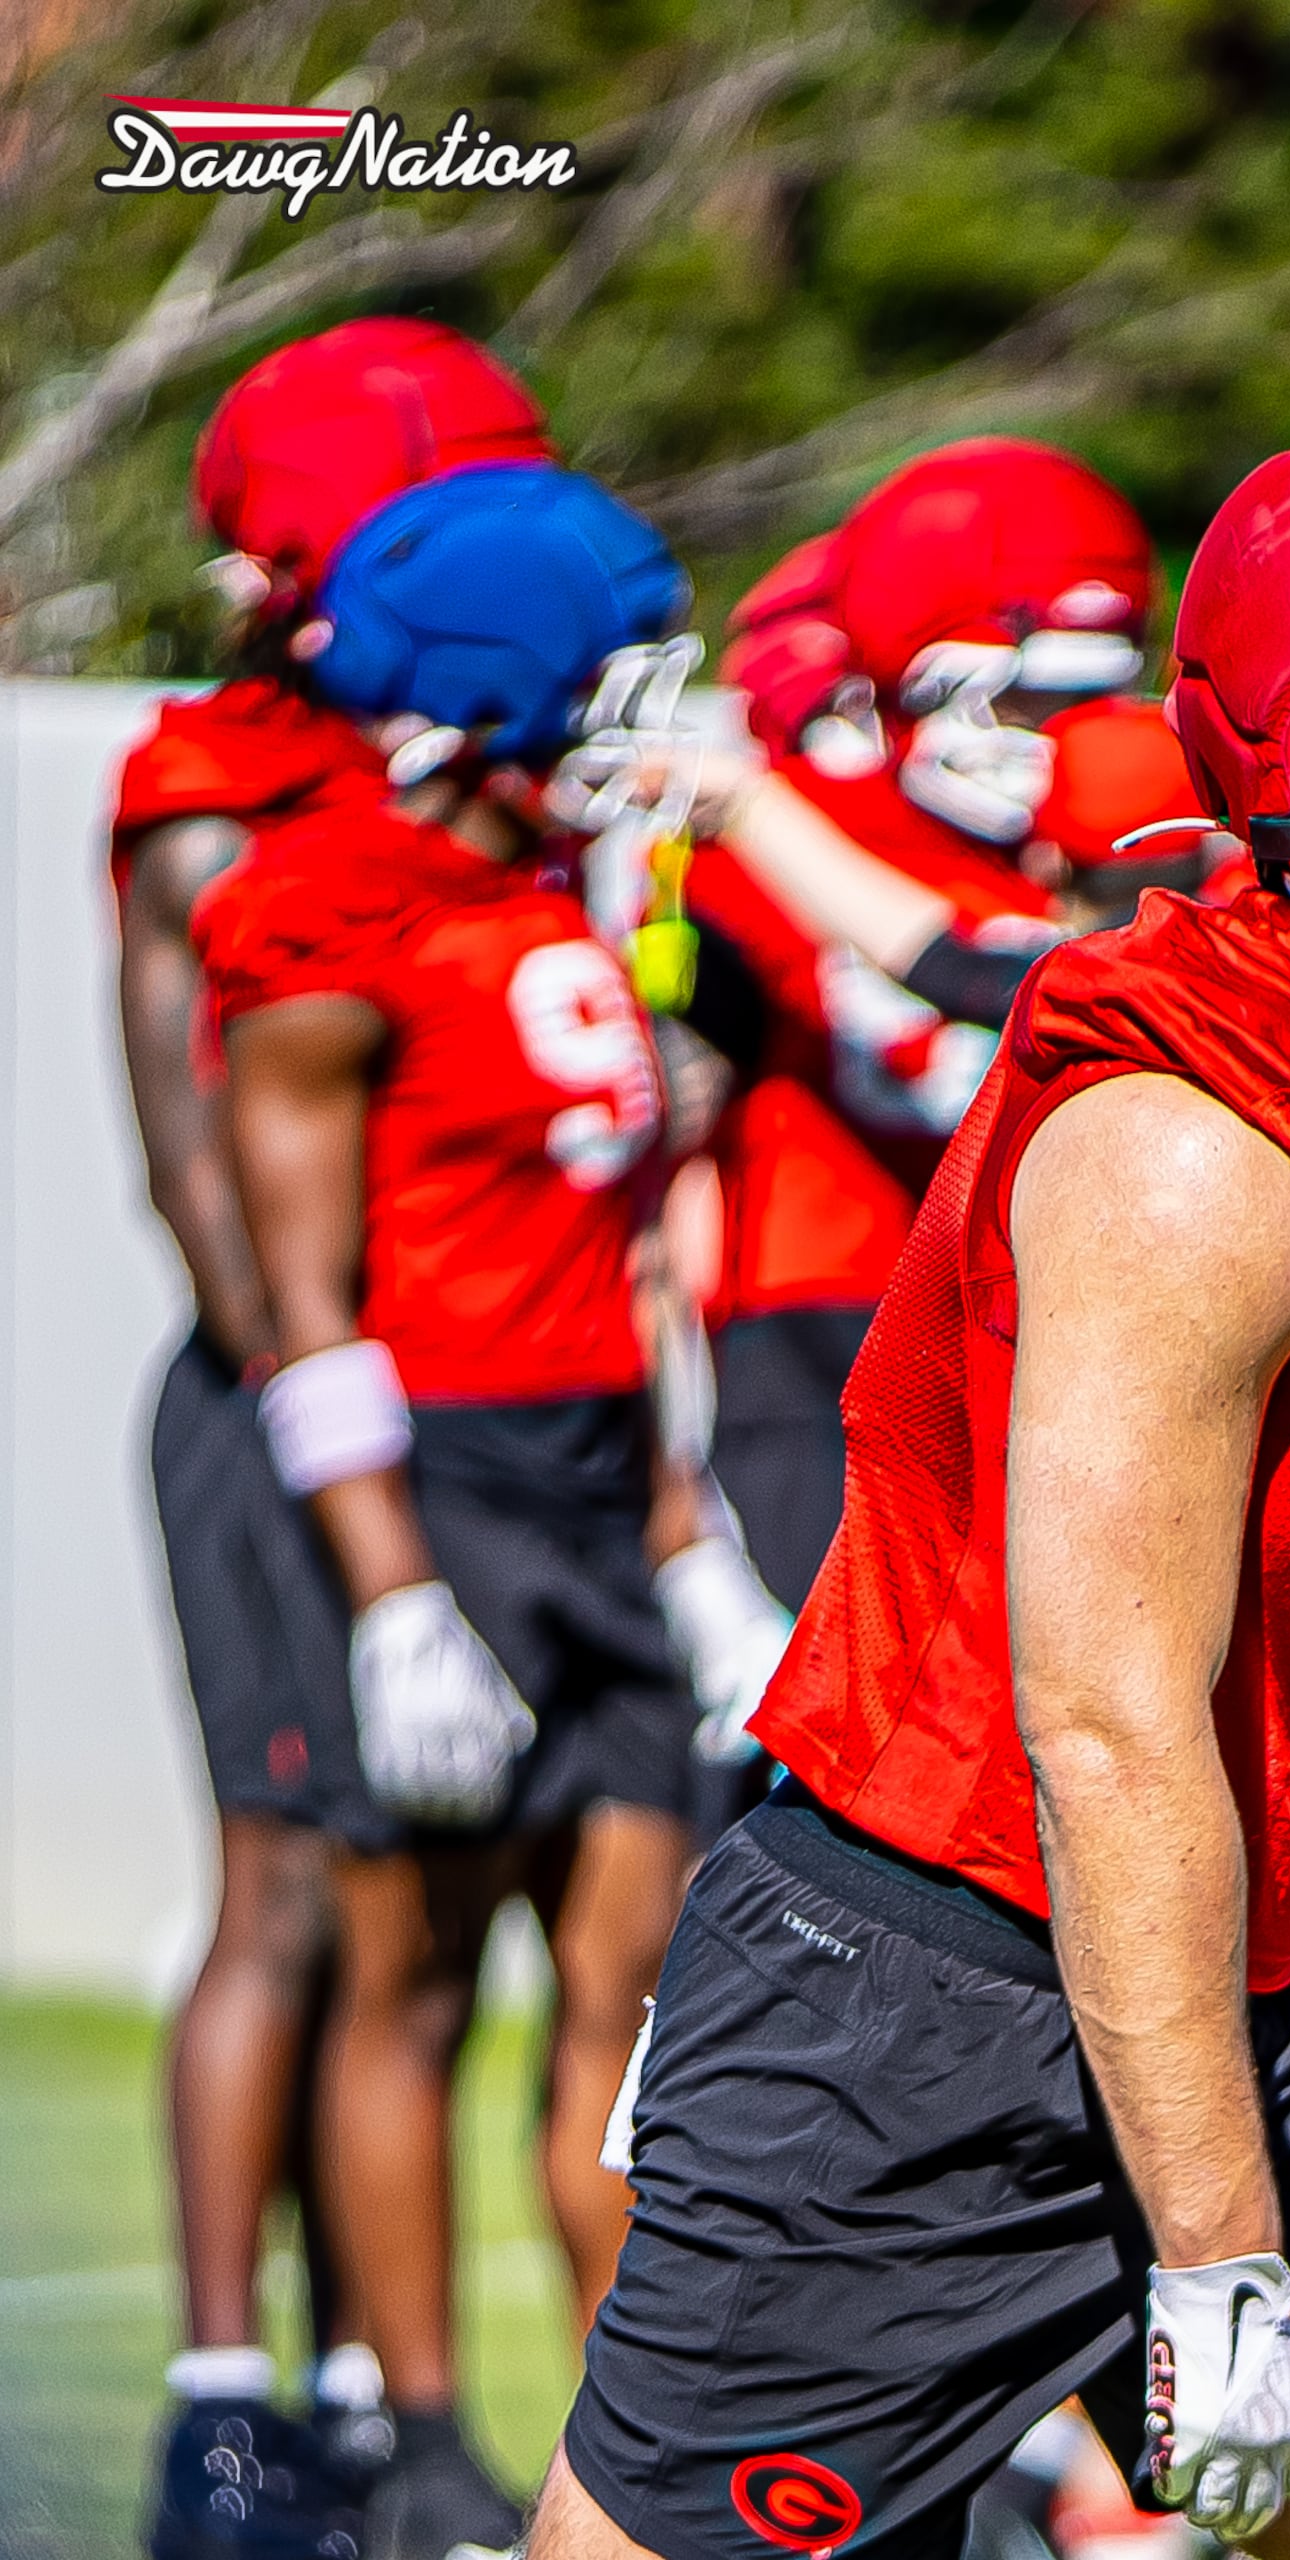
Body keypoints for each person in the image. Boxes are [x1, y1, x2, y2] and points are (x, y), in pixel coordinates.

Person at [529, 385, 1290, 2560]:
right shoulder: (1200, 1137)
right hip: (907, 2010)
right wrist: (1215, 2261)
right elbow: (1103, 1734)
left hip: (1242, 1988)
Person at [198, 461, 712, 2560]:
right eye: (613, 679)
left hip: (592, 1480)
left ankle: (637, 2449)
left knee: (634, 1986)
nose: (654, 719)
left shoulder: (572, 885)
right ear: (505, 695)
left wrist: (695, 1543)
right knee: (404, 1977)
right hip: (439, 1486)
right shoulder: (325, 907)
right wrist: (392, 1589)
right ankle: (415, 2435)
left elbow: (636, 1245)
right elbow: (298, 1287)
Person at [107, 315, 552, 2560]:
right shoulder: (225, 784)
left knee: (426, 1933)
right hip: (299, 1407)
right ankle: (222, 2405)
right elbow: (206, 1180)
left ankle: (375, 2386)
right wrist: (337, 1435)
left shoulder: (492, 776)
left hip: (475, 1422)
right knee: (284, 1893)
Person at [664, 444, 1144, 1705]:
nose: (1064, 743)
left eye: (1091, 703)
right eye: (1033, 705)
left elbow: (978, 966)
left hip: (1027, 1334)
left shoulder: (1092, 858)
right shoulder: (796, 830)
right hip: (820, 1323)